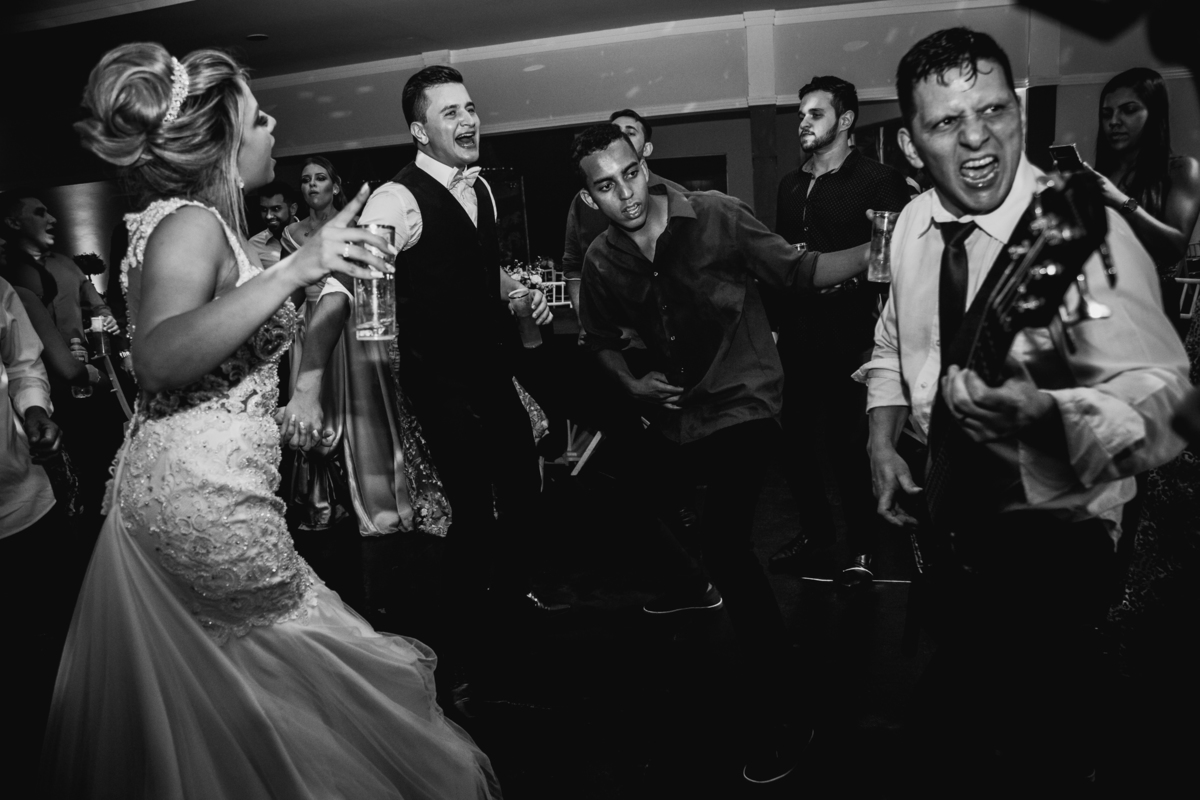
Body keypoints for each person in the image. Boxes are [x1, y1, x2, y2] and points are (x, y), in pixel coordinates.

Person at [43, 43, 501, 799]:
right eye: (259, 119)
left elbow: (243, 328)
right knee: (285, 667)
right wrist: (295, 268)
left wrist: (314, 333)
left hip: (217, 486)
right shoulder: (189, 224)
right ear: (225, 141)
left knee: (236, 685)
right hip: (203, 498)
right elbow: (157, 358)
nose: (274, 126)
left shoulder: (208, 227)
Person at [859, 27, 1189, 789]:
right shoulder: (910, 227)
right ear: (909, 144)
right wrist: (881, 441)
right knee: (973, 703)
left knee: (1041, 731)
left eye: (994, 110)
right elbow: (891, 340)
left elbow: (1171, 405)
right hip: (951, 517)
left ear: (1020, 110)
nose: (978, 138)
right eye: (947, 121)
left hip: (1056, 533)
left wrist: (1052, 420)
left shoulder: (1083, 235)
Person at [572, 122, 872, 784]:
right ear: (590, 197)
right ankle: (690, 585)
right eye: (606, 186)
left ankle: (790, 709)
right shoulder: (602, 261)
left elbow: (800, 270)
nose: (625, 193)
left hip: (745, 400)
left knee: (726, 543)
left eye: (630, 173)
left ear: (644, 162)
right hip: (682, 416)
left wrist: (881, 249)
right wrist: (632, 383)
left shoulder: (716, 215)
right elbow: (597, 340)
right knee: (609, 484)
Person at [768, 75, 912, 587]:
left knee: (848, 447)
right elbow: (781, 262)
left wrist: (845, 287)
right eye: (801, 114)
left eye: (816, 113)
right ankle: (816, 533)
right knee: (793, 444)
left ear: (845, 120)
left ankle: (863, 549)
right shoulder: (789, 184)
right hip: (797, 333)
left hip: (853, 332)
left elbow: (894, 261)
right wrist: (776, 326)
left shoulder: (879, 180)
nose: (803, 123)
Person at [1, 191, 122, 517]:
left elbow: (97, 304)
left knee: (101, 463)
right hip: (41, 391)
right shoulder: (10, 275)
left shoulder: (66, 264)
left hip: (82, 379)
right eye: (40, 213)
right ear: (13, 223)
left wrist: (105, 319)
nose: (53, 219)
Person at [0, 264, 65, 779]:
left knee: (41, 652)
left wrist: (36, 411)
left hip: (21, 498)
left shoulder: (0, 291)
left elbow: (23, 366)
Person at [1088, 67, 1200, 334]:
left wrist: (1121, 201)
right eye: (1107, 114)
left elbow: (1175, 245)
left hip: (1152, 310)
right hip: (1102, 308)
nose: (1114, 121)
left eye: (1128, 110)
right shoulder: (1100, 175)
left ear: (1154, 114)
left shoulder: (1181, 170)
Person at [281, 157, 351, 530]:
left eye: (320, 178)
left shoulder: (352, 225)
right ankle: (317, 500)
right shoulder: (292, 234)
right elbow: (288, 289)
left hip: (343, 325)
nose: (312, 185)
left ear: (335, 186)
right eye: (306, 179)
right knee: (308, 405)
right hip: (303, 327)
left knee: (342, 408)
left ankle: (349, 495)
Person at [248, 179, 298, 269]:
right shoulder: (254, 245)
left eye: (276, 209)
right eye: (264, 210)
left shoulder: (312, 236)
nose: (268, 216)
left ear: (293, 209)